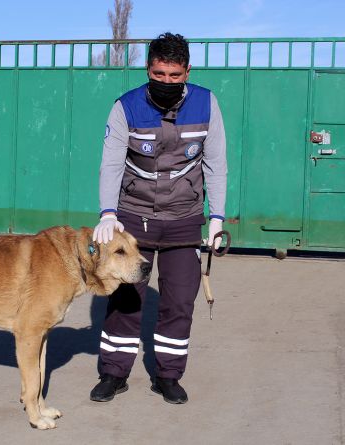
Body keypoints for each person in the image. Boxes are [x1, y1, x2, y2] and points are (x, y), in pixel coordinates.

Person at [90, 32, 227, 405]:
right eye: (159, 73)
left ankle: (168, 375)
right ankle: (114, 374)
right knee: (125, 299)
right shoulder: (126, 107)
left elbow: (215, 164)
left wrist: (216, 218)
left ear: (187, 72)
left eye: (174, 75)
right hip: (134, 219)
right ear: (148, 69)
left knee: (179, 301)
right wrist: (108, 212)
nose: (166, 82)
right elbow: (111, 164)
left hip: (183, 219)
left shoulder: (207, 104)